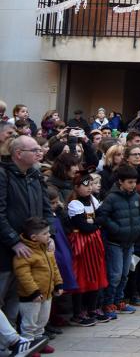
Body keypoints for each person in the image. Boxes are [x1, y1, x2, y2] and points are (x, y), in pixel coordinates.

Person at [0, 136, 55, 324]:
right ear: (18, 153)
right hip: (7, 249)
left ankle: (19, 340)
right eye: (34, 150)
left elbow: (47, 209)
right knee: (3, 293)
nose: (39, 152)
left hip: (33, 246)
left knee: (20, 295)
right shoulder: (3, 174)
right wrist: (13, 241)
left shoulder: (36, 175)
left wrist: (49, 235)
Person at [95, 165, 140, 316]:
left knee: (124, 273)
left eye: (134, 182)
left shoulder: (136, 197)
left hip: (129, 242)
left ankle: (119, 300)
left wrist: (139, 227)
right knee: (115, 274)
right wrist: (116, 229)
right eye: (129, 182)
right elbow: (103, 217)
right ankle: (108, 303)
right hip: (114, 242)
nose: (133, 185)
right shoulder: (111, 198)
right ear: (120, 182)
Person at [12, 217, 62, 351]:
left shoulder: (45, 248)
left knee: (42, 322)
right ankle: (28, 347)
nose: (49, 235)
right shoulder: (25, 253)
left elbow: (54, 267)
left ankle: (39, 343)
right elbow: (24, 275)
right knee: (29, 324)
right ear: (34, 237)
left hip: (47, 293)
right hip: (31, 296)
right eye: (45, 233)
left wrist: (58, 284)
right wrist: (33, 292)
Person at [66, 174, 109, 325]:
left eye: (90, 184)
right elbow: (83, 226)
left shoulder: (93, 200)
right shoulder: (74, 204)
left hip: (95, 242)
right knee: (83, 276)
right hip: (82, 244)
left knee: (96, 273)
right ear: (77, 187)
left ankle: (93, 308)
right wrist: (95, 224)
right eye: (85, 185)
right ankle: (79, 312)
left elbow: (104, 217)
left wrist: (93, 222)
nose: (89, 187)